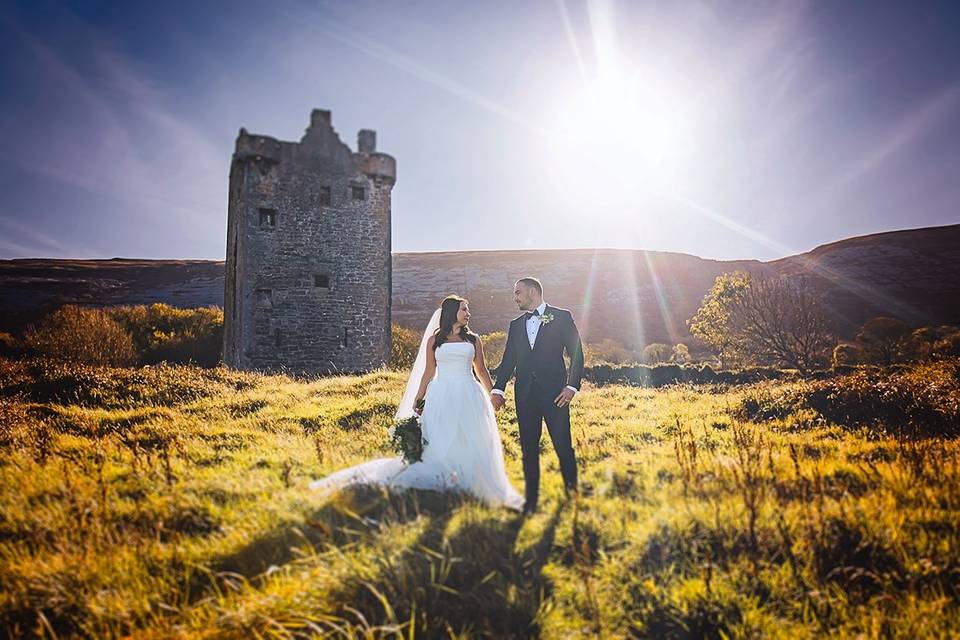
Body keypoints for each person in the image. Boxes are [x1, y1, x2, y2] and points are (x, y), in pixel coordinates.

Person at [310, 295, 523, 511]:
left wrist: (493, 393)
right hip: (441, 394)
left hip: (469, 392)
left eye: (468, 310)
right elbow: (428, 372)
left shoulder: (473, 339)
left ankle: (472, 481)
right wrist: (419, 398)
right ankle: (447, 480)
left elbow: (481, 369)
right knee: (442, 436)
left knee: (472, 436)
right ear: (451, 313)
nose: (468, 314)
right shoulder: (435, 340)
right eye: (464, 310)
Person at [491, 277, 584, 515]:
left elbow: (577, 353)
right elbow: (508, 360)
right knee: (529, 451)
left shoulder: (562, 317)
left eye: (518, 292)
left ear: (533, 292)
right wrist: (498, 388)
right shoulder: (515, 325)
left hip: (556, 396)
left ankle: (573, 498)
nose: (515, 297)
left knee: (563, 447)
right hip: (525, 397)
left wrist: (571, 387)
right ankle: (530, 503)